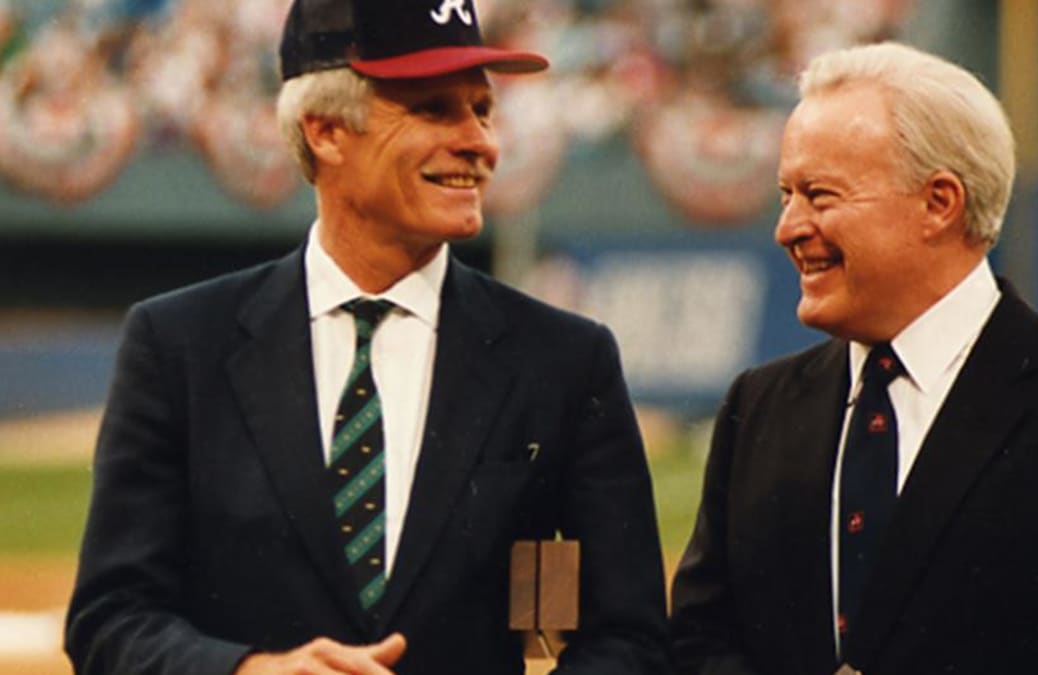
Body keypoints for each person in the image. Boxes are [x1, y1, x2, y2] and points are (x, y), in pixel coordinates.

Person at [65, 0, 670, 673]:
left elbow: (630, 638)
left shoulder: (564, 360)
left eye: (482, 109)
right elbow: (110, 618)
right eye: (434, 109)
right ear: (325, 131)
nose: (480, 141)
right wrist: (251, 671)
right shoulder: (176, 344)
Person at [670, 41, 1038, 675]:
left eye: (820, 195)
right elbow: (699, 643)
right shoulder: (758, 406)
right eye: (786, 194)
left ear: (939, 203)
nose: (788, 227)